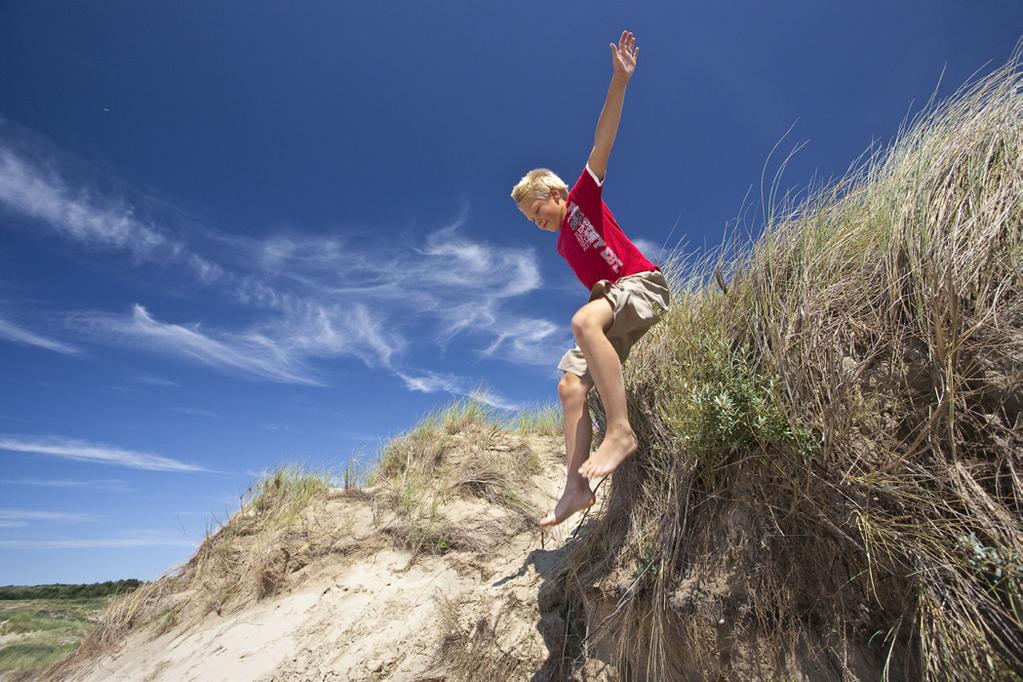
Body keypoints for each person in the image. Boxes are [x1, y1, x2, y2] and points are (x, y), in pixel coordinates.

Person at [510, 30, 671, 528]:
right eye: (533, 223)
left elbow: (604, 135)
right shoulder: (561, 244)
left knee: (582, 321)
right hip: (613, 303)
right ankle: (575, 487)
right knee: (568, 386)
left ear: (557, 193)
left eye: (541, 212)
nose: (542, 224)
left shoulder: (583, 194)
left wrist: (619, 81)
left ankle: (620, 430)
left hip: (643, 286)